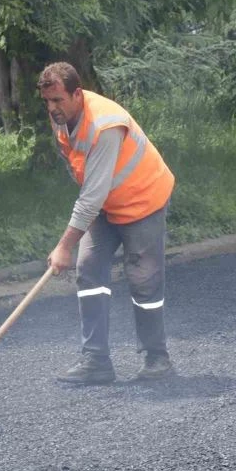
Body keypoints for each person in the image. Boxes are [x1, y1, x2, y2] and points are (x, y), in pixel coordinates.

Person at [38, 62, 175, 384]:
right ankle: (96, 361)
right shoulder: (62, 118)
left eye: (58, 100)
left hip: (144, 200)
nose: (52, 108)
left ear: (77, 93)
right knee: (89, 270)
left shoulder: (105, 124)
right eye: (47, 101)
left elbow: (92, 195)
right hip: (105, 204)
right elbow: (84, 176)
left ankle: (157, 359)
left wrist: (63, 247)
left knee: (143, 278)